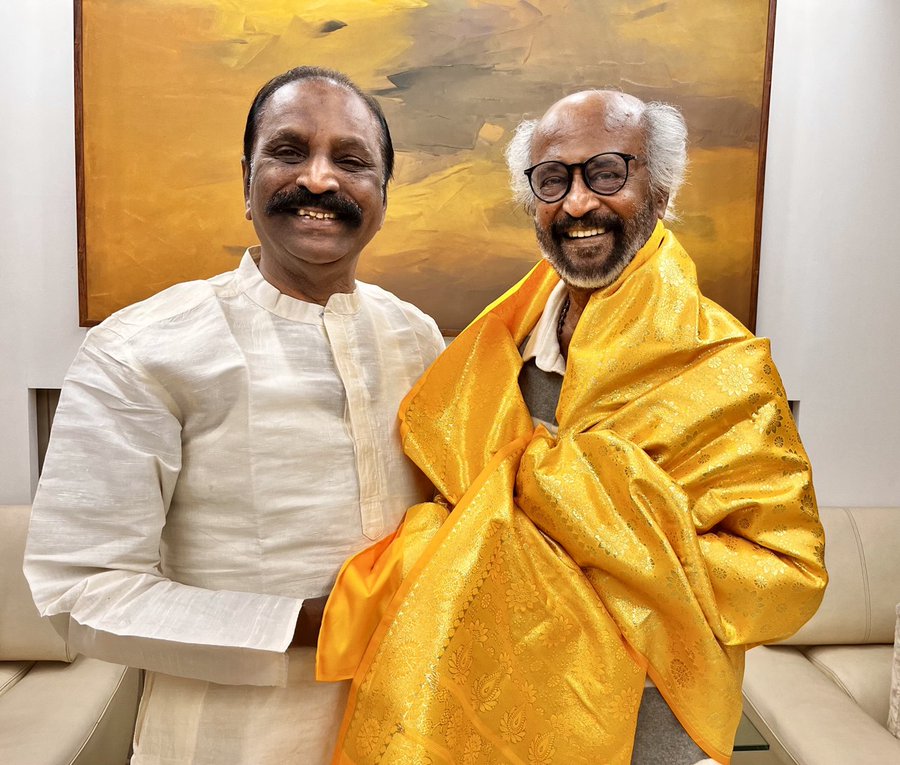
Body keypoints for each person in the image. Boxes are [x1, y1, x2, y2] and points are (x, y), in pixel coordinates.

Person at [313, 91, 828, 765]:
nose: (578, 203)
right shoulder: (501, 345)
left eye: (608, 173)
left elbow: (786, 579)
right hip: (487, 716)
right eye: (553, 180)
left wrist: (581, 512)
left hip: (652, 736)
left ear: (661, 188)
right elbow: (461, 506)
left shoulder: (722, 367)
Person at [24, 66, 444, 765]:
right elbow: (81, 589)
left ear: (382, 196)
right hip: (230, 739)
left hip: (409, 724)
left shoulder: (417, 337)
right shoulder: (142, 348)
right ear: (246, 181)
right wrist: (312, 624)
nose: (318, 179)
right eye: (288, 151)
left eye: (351, 161)